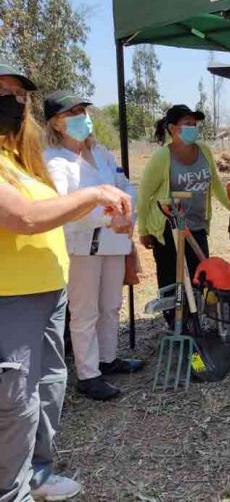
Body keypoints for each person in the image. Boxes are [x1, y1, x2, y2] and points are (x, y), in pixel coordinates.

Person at [0, 62, 131, 502]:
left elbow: (112, 186)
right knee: (14, 402)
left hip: (47, 286)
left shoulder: (21, 158)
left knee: (46, 387)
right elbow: (30, 217)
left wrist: (112, 207)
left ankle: (37, 474)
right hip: (12, 294)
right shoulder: (44, 161)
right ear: (56, 121)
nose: (12, 102)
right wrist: (96, 199)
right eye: (3, 91)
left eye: (19, 95)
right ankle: (11, 490)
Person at [43, 90, 142, 402]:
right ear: (57, 124)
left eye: (83, 110)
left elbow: (124, 186)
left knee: (111, 305)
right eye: (73, 113)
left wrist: (126, 212)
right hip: (82, 246)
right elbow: (66, 206)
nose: (82, 117)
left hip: (114, 241)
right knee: (84, 311)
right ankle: (88, 374)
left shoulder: (100, 152)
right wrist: (107, 216)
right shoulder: (55, 161)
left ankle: (107, 358)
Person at [137, 105, 230, 325]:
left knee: (201, 275)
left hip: (197, 225)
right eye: (187, 124)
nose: (193, 128)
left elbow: (216, 185)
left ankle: (197, 320)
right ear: (172, 128)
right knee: (172, 278)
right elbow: (144, 195)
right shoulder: (163, 157)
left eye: (194, 124)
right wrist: (143, 230)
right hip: (169, 227)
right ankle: (175, 322)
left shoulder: (204, 151)